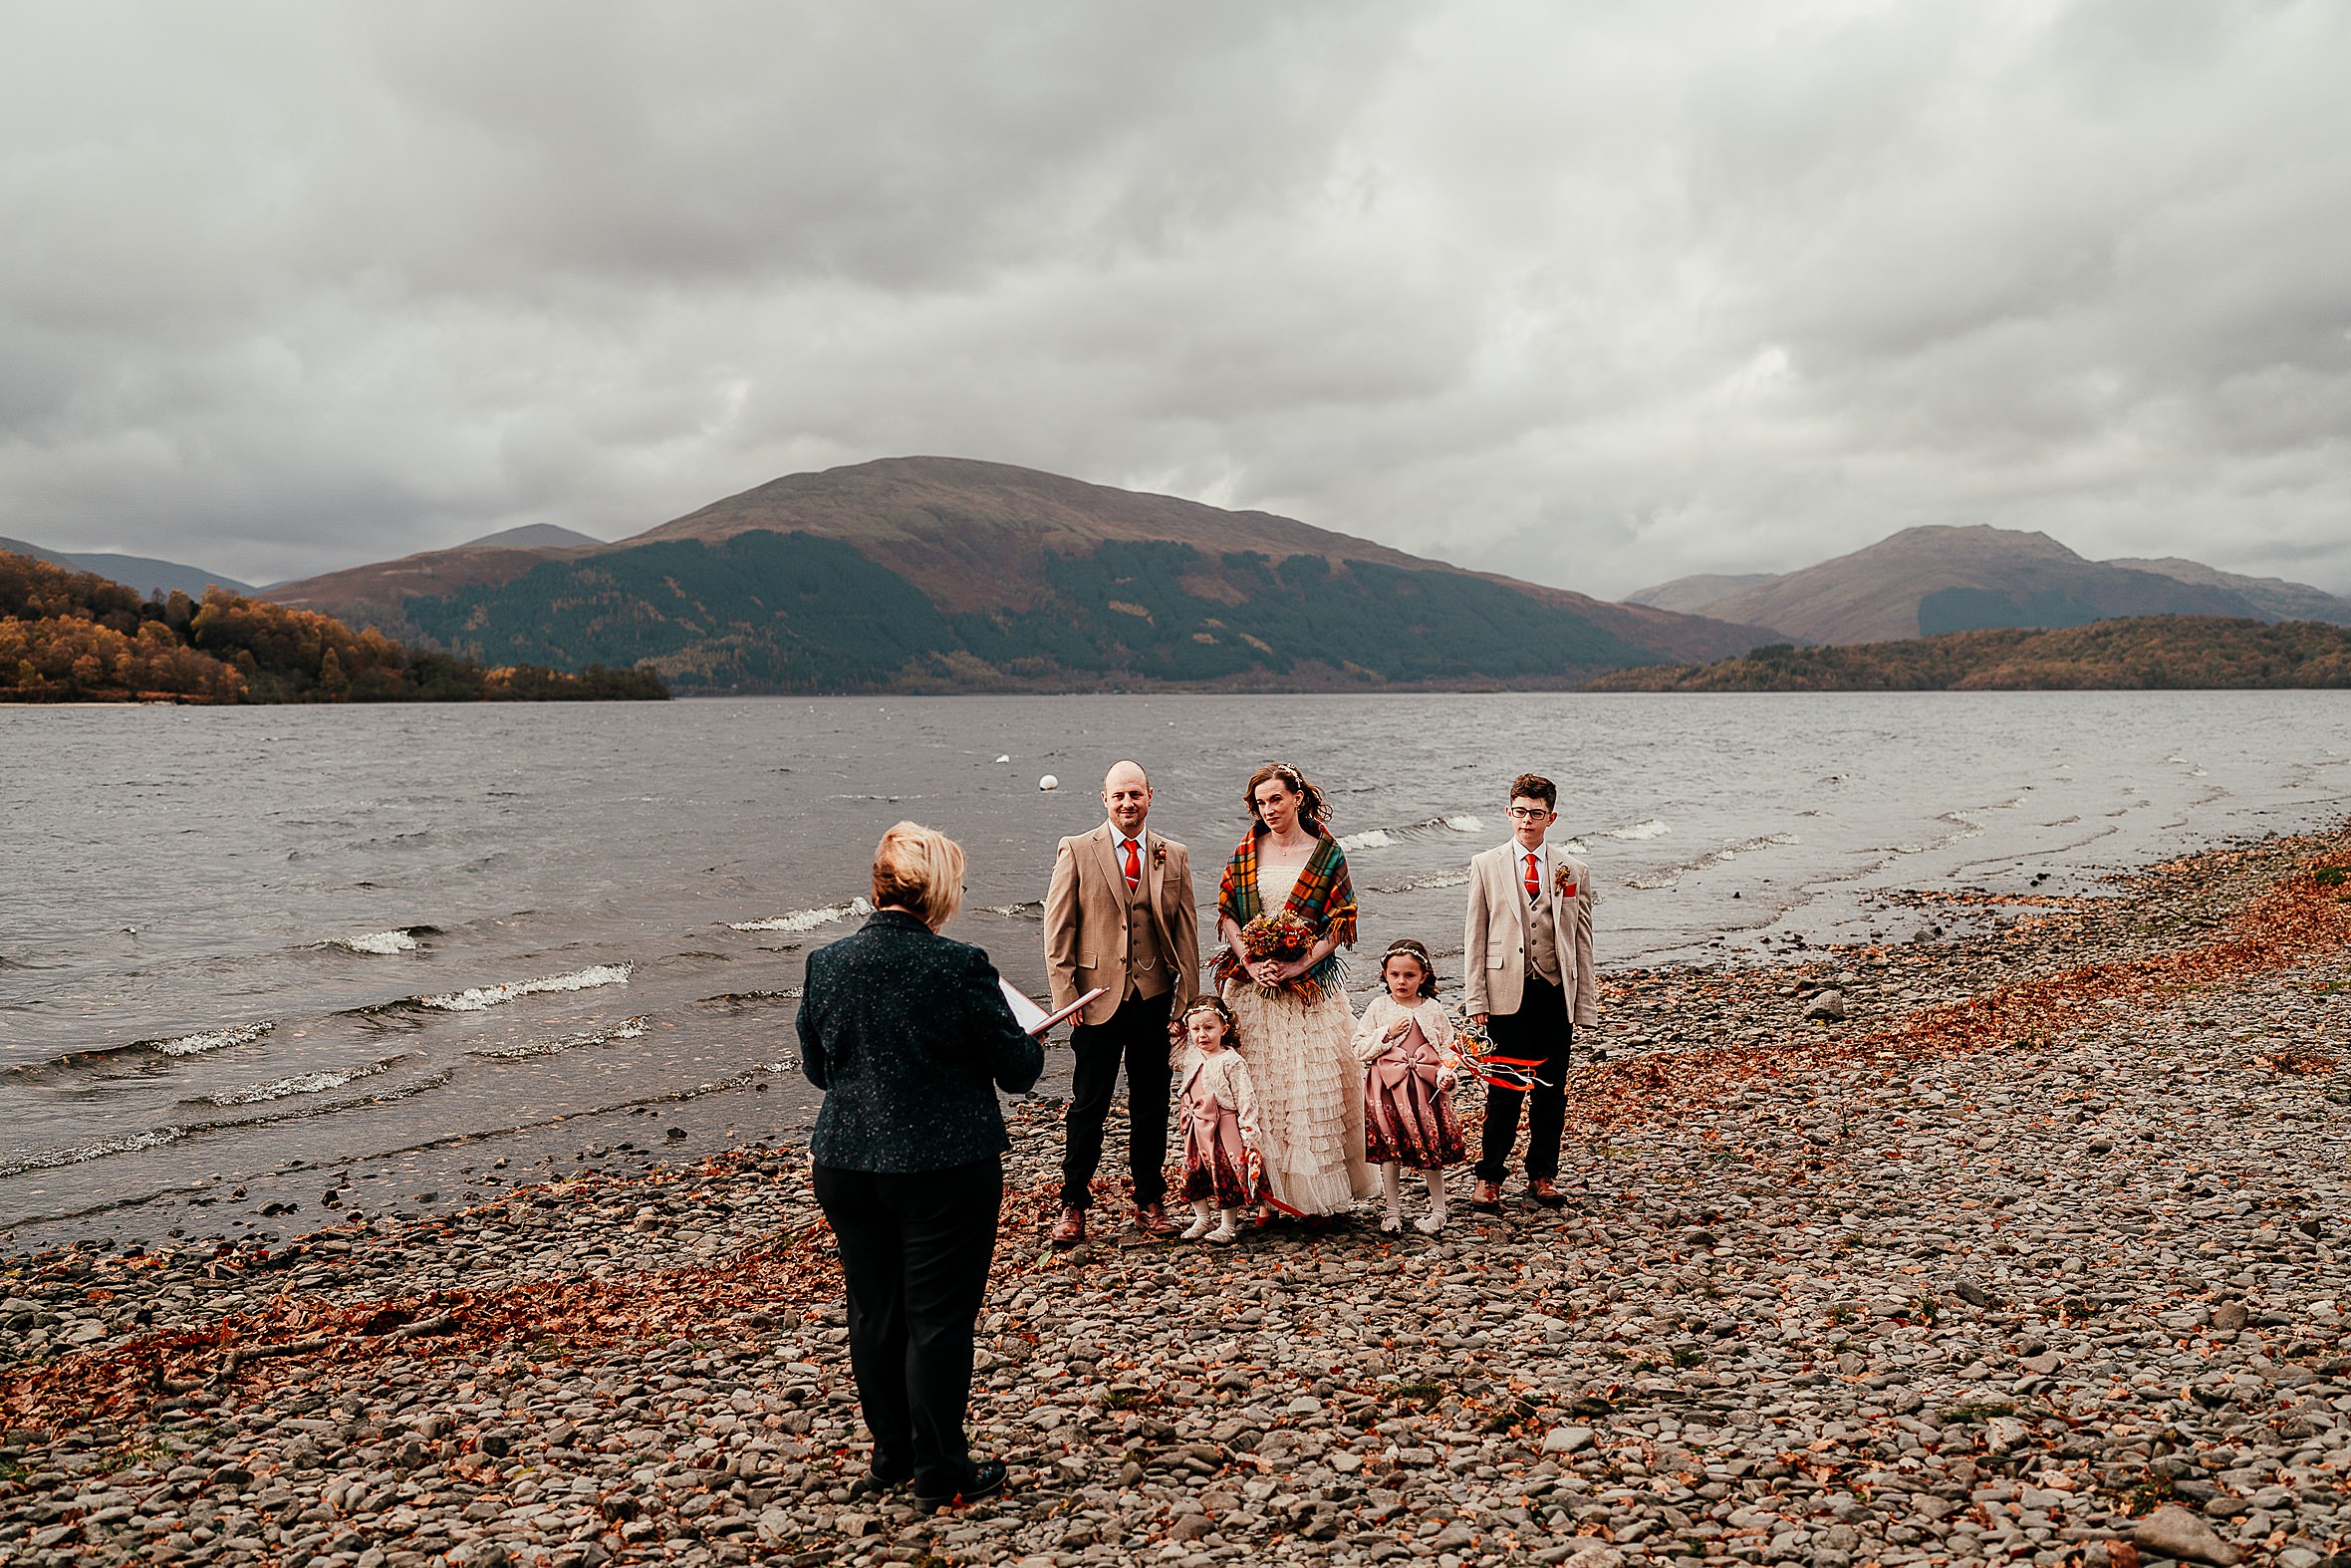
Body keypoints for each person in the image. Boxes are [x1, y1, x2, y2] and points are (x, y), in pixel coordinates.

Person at [797, 822, 1044, 1510]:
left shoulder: (825, 963)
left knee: (876, 1311)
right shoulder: (960, 964)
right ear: (936, 890)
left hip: (848, 1161)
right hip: (944, 1165)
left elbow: (819, 1068)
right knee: (937, 1317)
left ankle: (890, 1454)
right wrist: (1020, 1036)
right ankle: (939, 1467)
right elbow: (1020, 1070)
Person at [1043, 760, 1200, 1247]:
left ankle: (1150, 1200)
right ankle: (1073, 1203)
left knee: (1150, 1103)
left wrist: (1186, 1004)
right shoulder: (1076, 849)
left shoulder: (1172, 854)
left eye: (1135, 794)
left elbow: (1186, 933)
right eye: (1118, 796)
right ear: (1104, 798)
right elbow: (1058, 932)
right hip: (1096, 1002)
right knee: (1088, 1104)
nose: (1127, 804)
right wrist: (1068, 1001)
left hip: (1154, 999)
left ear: (1150, 795)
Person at [1211, 761, 1378, 1219]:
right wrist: (1250, 959)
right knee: (1258, 1088)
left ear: (1297, 798)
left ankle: (1311, 1195)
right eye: (1261, 802)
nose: (1268, 809)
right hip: (1251, 985)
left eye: (1276, 799)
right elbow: (1226, 911)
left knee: (1306, 1089)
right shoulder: (1247, 849)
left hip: (1308, 988)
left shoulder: (1326, 853)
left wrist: (1298, 964)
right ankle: (1265, 1196)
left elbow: (1339, 921)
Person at [1463, 773, 1596, 1210]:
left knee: (1551, 1090)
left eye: (1536, 813)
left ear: (1551, 817)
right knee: (1503, 1090)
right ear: (1509, 812)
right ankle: (1490, 1178)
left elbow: (1582, 941)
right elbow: (1475, 937)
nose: (1526, 820)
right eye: (1519, 812)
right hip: (1506, 993)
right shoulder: (1486, 864)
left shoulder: (1572, 870)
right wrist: (1476, 1000)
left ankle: (1543, 1174)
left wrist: (1585, 1005)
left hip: (1555, 993)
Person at [1351, 938, 1465, 1234]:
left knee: (1431, 1145)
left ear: (1423, 976)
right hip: (1387, 1088)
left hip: (1425, 1091)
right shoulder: (1379, 1007)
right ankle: (1392, 1211)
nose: (1401, 981)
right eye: (1395, 975)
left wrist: (1447, 1075)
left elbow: (1448, 1050)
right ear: (1385, 975)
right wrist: (1386, 1034)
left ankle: (1439, 1209)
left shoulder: (1433, 1010)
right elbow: (1359, 1048)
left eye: (1409, 975)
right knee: (1391, 1148)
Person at [1173, 995, 1258, 1244]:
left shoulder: (1231, 1061)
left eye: (1209, 1028)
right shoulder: (1192, 1055)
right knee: (1194, 1171)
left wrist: (1248, 1131)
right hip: (1196, 1125)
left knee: (1224, 1173)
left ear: (1224, 1028)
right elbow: (1172, 1058)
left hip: (1224, 1126)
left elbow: (1246, 1097)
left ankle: (1228, 1225)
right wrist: (1177, 1033)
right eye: (1195, 1029)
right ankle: (1202, 1218)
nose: (1202, 1035)